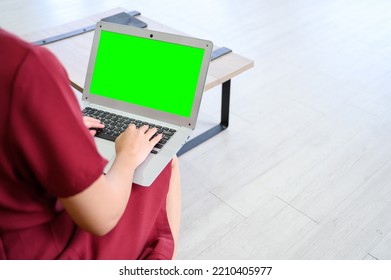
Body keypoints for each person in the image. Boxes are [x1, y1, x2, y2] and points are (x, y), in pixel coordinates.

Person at [0, 28, 181, 259]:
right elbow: (101, 218)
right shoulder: (25, 66)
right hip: (43, 252)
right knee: (166, 162)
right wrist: (126, 156)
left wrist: (58, 128)